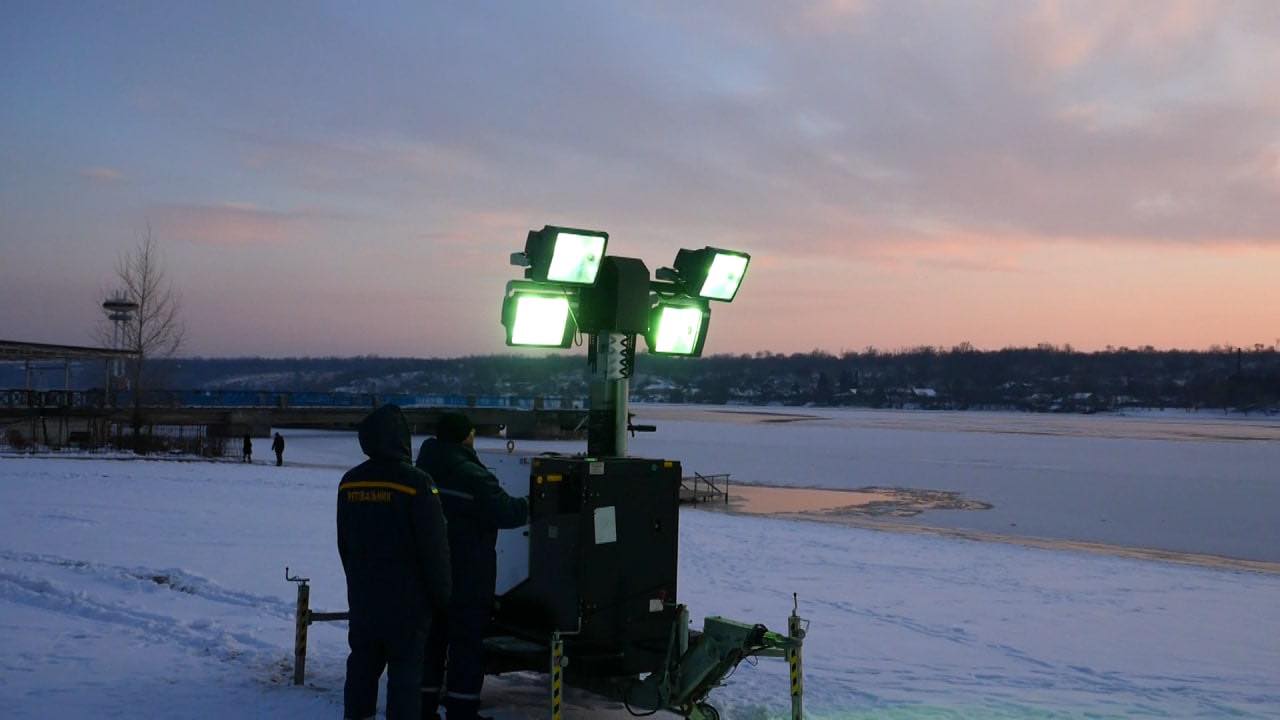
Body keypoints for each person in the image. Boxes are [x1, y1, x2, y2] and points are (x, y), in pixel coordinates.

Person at [338, 405, 451, 720]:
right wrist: (442, 598)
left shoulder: (350, 483)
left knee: (361, 668)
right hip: (408, 603)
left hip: (363, 598)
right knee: (405, 679)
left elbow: (344, 543)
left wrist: (359, 580)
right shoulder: (416, 483)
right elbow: (434, 548)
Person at [418, 412, 529, 720]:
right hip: (467, 574)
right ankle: (462, 710)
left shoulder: (423, 467)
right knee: (466, 645)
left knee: (432, 642)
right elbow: (507, 512)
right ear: (466, 436)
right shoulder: (471, 474)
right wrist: (539, 501)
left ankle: (422, 708)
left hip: (429, 572)